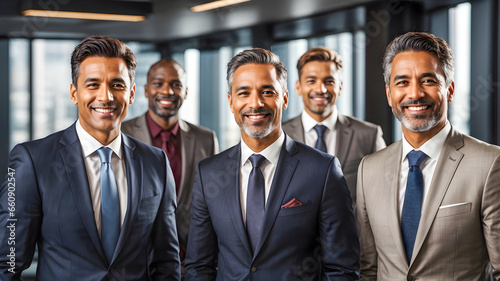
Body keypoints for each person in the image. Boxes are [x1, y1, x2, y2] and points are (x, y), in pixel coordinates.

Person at [0, 36, 180, 280]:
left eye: (117, 85)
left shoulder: (156, 162)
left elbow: (167, 262)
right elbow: (8, 262)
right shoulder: (32, 161)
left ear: (132, 93)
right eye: (93, 85)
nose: (106, 97)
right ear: (74, 93)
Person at [184, 48, 359, 281]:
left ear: (285, 98)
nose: (255, 103)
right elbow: (199, 266)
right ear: (231, 102)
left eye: (267, 91)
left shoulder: (322, 170)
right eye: (244, 93)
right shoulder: (209, 173)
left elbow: (342, 268)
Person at [356, 31, 500, 280]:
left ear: (450, 90)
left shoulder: (489, 164)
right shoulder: (369, 169)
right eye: (402, 82)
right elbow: (368, 268)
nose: (415, 94)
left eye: (428, 81)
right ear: (390, 94)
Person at [122, 58, 219, 261]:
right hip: (134, 257)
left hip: (191, 255)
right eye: (158, 84)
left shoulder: (206, 138)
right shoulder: (122, 134)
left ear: (185, 92)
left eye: (176, 85)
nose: (167, 91)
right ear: (146, 90)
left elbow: (213, 201)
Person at [283, 47, 386, 203]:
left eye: (329, 81)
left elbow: (383, 191)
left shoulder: (369, 135)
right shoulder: (279, 135)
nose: (321, 89)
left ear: (340, 86)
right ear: (298, 87)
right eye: (311, 81)